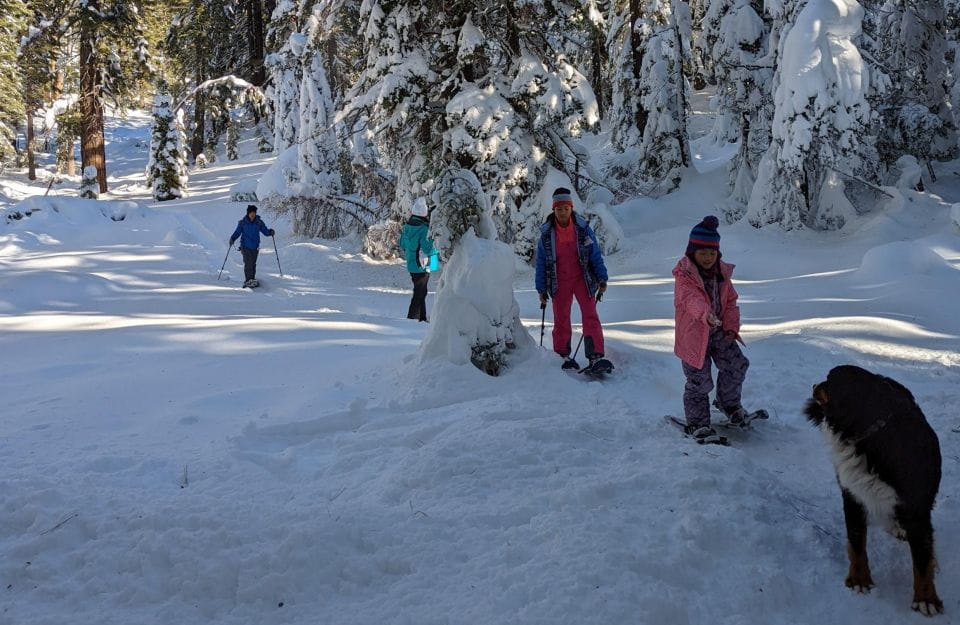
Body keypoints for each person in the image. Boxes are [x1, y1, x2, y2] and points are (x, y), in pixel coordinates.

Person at [673, 215, 751, 441]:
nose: (708, 257)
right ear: (692, 252)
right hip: (693, 338)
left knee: (737, 365)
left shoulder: (722, 274)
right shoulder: (685, 276)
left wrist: (731, 327)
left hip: (718, 332)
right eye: (703, 253)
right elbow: (690, 299)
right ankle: (698, 423)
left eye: (712, 253)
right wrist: (705, 314)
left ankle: (729, 404)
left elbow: (730, 301)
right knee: (699, 381)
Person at [535, 187, 609, 370]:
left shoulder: (583, 229)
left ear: (571, 208)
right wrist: (541, 289)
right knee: (561, 318)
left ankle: (595, 356)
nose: (562, 212)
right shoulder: (546, 235)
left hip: (583, 279)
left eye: (566, 208)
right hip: (559, 281)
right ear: (554, 209)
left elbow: (595, 254)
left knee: (590, 315)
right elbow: (541, 262)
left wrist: (602, 278)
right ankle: (562, 356)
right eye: (559, 209)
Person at [399, 198, 437, 322]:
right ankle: (412, 318)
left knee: (421, 291)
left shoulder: (407, 227)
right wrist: (438, 250)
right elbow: (428, 248)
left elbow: (402, 244)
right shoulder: (424, 229)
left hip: (411, 264)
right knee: (420, 293)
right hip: (422, 265)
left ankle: (422, 318)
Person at [229, 205, 274, 287]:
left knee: (253, 263)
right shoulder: (243, 223)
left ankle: (252, 279)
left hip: (255, 247)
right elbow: (237, 232)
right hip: (245, 246)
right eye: (251, 213)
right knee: (248, 263)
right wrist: (232, 239)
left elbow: (265, 231)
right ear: (248, 213)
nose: (252, 214)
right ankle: (248, 280)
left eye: (254, 213)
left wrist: (270, 232)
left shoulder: (259, 222)